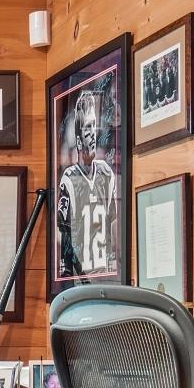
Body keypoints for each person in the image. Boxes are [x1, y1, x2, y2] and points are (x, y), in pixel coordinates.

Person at [57, 89, 118, 281]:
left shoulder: (106, 173)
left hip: (108, 276)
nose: (92, 134)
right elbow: (64, 235)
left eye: (94, 127)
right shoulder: (69, 178)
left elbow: (114, 225)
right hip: (83, 279)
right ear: (78, 139)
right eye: (87, 127)